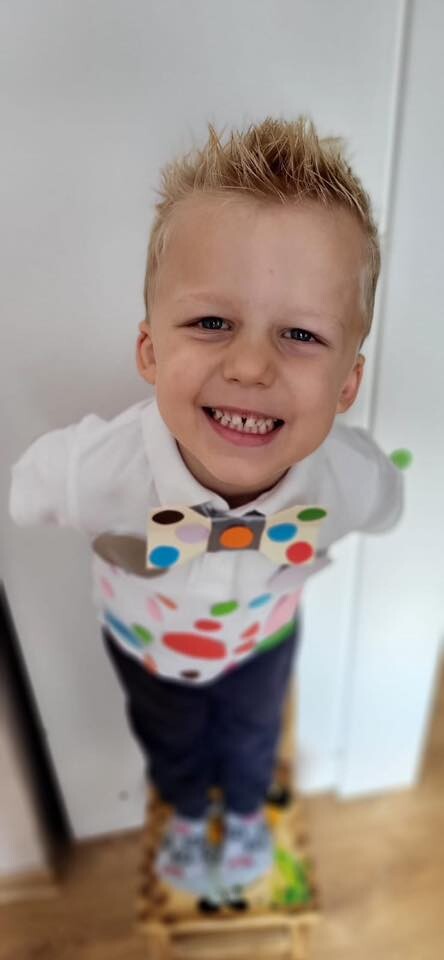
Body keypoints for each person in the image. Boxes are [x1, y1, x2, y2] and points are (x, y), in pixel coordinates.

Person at [9, 116, 404, 900]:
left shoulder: (348, 479)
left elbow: (387, 504)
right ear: (151, 350)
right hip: (147, 645)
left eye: (300, 334)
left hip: (261, 641)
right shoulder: (100, 467)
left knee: (254, 737)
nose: (251, 365)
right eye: (211, 322)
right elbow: (27, 490)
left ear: (347, 387)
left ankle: (247, 816)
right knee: (174, 742)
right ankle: (190, 818)